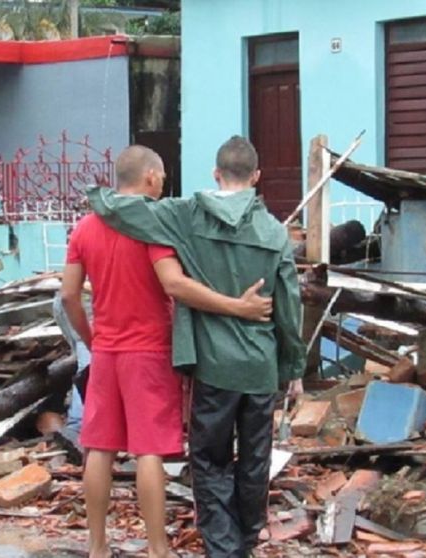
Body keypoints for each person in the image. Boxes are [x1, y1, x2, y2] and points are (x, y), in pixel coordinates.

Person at [87, 136, 306, 558]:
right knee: (255, 462)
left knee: (209, 460)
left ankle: (222, 548)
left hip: (213, 365)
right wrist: (292, 366)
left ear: (215, 174)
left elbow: (120, 209)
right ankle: (244, 543)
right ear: (257, 177)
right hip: (259, 367)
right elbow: (289, 307)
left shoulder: (187, 215)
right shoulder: (275, 233)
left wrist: (96, 194)